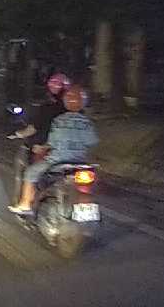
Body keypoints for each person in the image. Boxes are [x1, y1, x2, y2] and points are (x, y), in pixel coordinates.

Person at [10, 86, 98, 216]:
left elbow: (52, 143)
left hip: (57, 160)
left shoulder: (59, 120)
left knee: (30, 173)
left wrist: (42, 147)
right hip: (80, 162)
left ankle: (25, 205)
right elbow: (92, 142)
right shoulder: (88, 122)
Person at [8, 73, 70, 211]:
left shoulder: (48, 109)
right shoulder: (79, 115)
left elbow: (35, 130)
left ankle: (25, 204)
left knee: (31, 173)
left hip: (51, 153)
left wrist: (18, 134)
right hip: (77, 157)